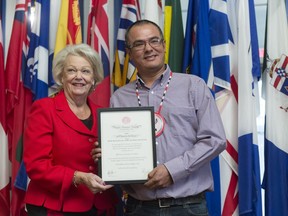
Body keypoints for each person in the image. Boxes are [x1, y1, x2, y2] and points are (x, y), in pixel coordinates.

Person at [93, 20, 227, 216]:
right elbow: (119, 152)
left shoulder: (194, 86)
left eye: (154, 40)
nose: (149, 48)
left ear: (164, 45)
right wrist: (107, 156)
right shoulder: (119, 98)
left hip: (188, 207)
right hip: (138, 207)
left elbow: (215, 140)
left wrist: (173, 170)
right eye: (139, 44)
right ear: (129, 53)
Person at [23, 43, 118, 215]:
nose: (79, 77)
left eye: (86, 71)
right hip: (56, 206)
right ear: (61, 76)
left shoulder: (102, 113)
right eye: (72, 70)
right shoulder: (44, 109)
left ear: (94, 78)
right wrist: (78, 177)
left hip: (99, 205)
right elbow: (36, 165)